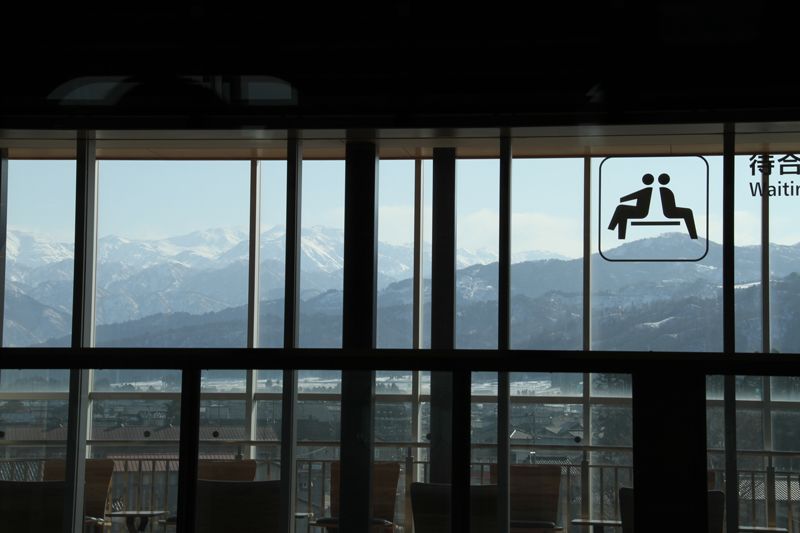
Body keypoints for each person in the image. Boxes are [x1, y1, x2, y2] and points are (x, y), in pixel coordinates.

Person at [608, 173, 654, 239]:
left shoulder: (646, 191)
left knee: (620, 207)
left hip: (641, 211)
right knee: (622, 215)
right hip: (639, 210)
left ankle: (611, 227)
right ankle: (621, 236)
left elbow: (632, 196)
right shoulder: (646, 190)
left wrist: (621, 199)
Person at [658, 173, 697, 239]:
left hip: (670, 210)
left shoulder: (667, 191)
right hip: (670, 211)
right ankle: (693, 235)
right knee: (688, 212)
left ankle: (693, 235)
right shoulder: (666, 191)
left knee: (688, 211)